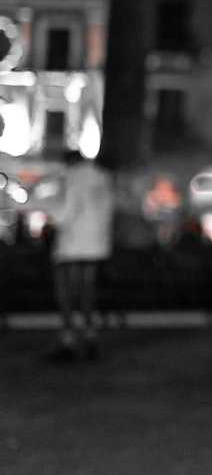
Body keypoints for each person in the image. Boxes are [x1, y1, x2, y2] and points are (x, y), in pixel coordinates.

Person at [46, 149, 115, 362]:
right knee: (87, 291)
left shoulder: (71, 178)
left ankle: (68, 340)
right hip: (96, 246)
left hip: (71, 246)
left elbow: (62, 215)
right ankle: (90, 337)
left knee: (66, 293)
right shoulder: (103, 177)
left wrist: (52, 209)